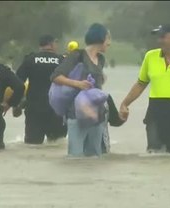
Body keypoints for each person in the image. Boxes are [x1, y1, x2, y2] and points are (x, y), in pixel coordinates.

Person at [119, 24, 170, 155]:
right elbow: (141, 84)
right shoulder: (150, 57)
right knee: (153, 154)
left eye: (163, 37)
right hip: (155, 113)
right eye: (158, 37)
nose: (160, 40)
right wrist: (125, 103)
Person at [51, 23, 125, 158]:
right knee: (75, 156)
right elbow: (56, 76)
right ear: (101, 38)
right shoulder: (77, 55)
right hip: (76, 114)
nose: (109, 43)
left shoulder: (101, 59)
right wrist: (77, 83)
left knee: (94, 157)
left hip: (97, 115)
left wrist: (100, 78)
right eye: (108, 38)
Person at [14, 34, 67, 145]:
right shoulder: (62, 61)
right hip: (56, 111)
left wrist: (16, 104)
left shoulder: (30, 59)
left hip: (34, 110)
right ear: (51, 44)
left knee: (32, 145)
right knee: (57, 145)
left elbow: (18, 83)